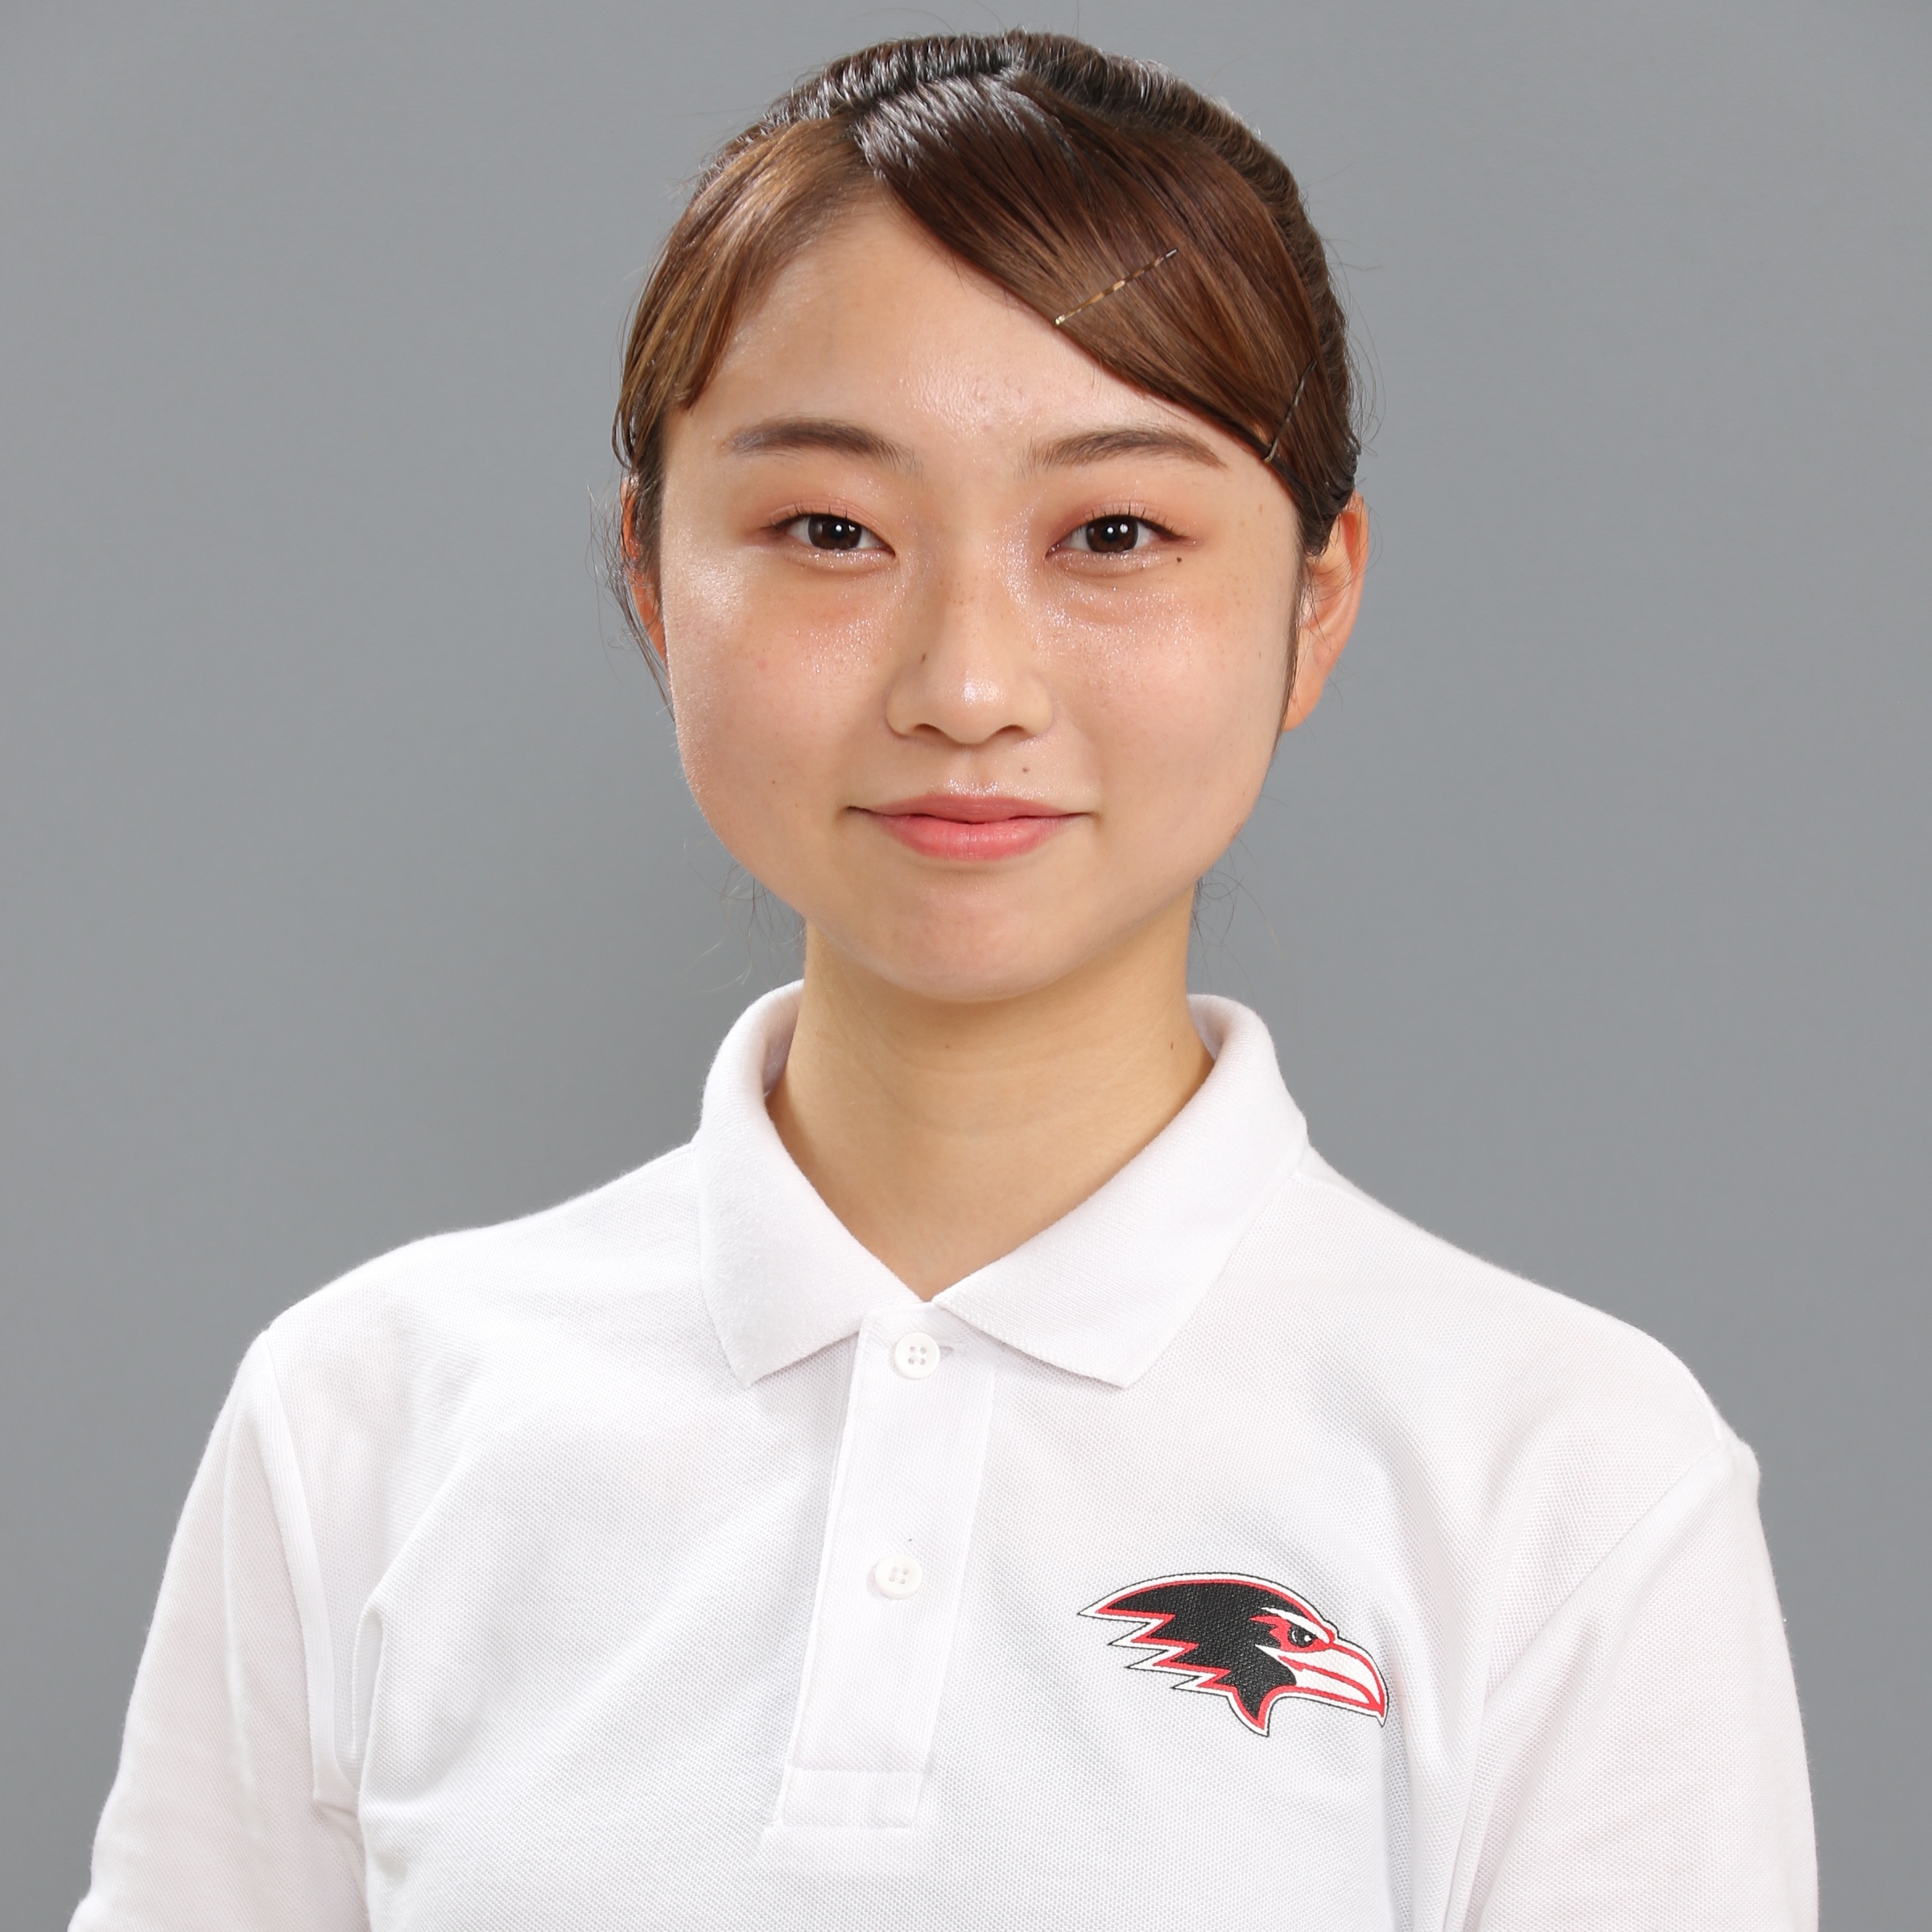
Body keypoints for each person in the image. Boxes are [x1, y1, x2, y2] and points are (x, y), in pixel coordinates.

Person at [72, 31, 1814, 1930]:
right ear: (653, 582)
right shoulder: (366, 1418)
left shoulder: (1565, 1482)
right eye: (831, 532)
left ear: (1314, 604)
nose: (968, 685)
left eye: (1115, 535)